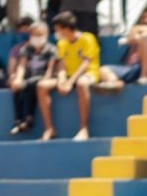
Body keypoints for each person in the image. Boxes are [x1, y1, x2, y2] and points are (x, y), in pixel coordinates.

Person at [38, 11, 121, 142]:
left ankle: (83, 128)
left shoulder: (88, 38)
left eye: (57, 29)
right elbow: (62, 65)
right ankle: (49, 128)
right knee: (41, 86)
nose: (56, 32)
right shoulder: (62, 43)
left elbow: (85, 63)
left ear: (66, 28)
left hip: (89, 74)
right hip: (69, 77)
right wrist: (61, 80)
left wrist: (70, 82)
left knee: (82, 84)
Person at [10, 22, 58, 135]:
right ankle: (18, 120)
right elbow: (21, 65)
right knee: (17, 87)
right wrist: (17, 78)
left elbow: (51, 68)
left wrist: (46, 78)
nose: (36, 38)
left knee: (30, 85)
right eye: (34, 35)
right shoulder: (26, 49)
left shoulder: (51, 49)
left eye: (39, 35)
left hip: (43, 78)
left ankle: (29, 118)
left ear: (46, 35)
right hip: (29, 78)